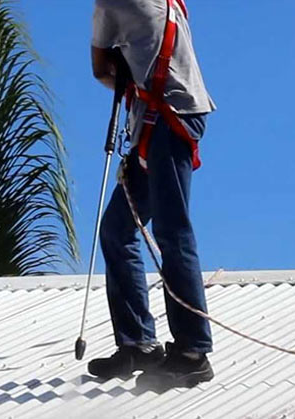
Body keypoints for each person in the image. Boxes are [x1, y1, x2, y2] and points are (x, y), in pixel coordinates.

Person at [87, 0, 217, 390]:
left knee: (172, 232)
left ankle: (192, 351)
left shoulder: (110, 3)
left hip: (166, 118)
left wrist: (121, 70)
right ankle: (138, 344)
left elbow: (101, 71)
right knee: (117, 228)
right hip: (164, 117)